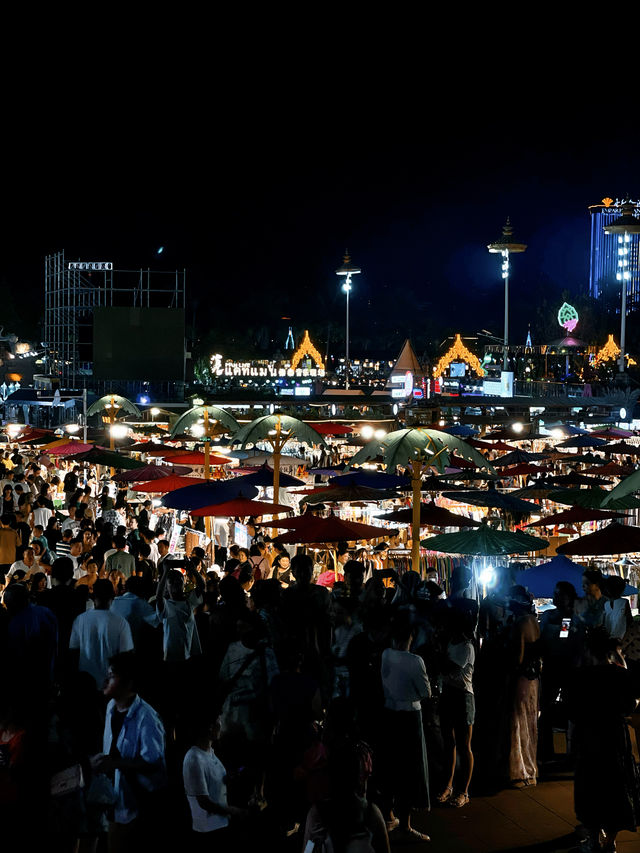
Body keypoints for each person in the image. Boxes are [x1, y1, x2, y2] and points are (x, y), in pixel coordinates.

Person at [567, 627, 640, 853]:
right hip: (614, 736)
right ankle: (610, 841)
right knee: (617, 786)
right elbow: (630, 703)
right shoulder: (620, 675)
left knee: (591, 786)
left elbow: (571, 710)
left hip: (589, 735)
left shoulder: (581, 676)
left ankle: (595, 838)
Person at [93, 651, 167, 852]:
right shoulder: (110, 708)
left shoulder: (147, 718)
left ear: (128, 682)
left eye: (113, 676)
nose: (106, 680)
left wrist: (114, 764)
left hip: (139, 806)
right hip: (116, 801)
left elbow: (153, 762)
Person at [380, 612, 430, 842]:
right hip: (410, 716)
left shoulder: (386, 655)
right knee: (410, 770)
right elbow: (425, 692)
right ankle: (406, 825)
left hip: (390, 714)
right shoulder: (414, 661)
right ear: (411, 636)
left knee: (391, 766)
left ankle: (390, 815)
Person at [183, 714, 247, 849]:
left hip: (221, 826)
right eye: (219, 721)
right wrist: (235, 811)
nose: (221, 725)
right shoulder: (194, 758)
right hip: (208, 832)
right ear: (210, 727)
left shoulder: (210, 752)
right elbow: (204, 802)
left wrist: (228, 777)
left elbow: (213, 780)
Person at [437, 606, 475, 809]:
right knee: (449, 743)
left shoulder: (466, 647)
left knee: (463, 745)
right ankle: (448, 786)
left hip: (463, 697)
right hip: (449, 694)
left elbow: (448, 668)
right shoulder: (451, 642)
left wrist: (436, 653)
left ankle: (464, 791)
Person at [69, 579, 134, 690]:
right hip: (110, 683)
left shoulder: (81, 619)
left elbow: (73, 651)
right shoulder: (120, 622)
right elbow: (126, 656)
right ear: (112, 597)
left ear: (93, 596)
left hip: (85, 683)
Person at [507, 585, 541, 789]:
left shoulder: (520, 623)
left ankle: (520, 772)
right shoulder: (534, 622)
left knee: (518, 722)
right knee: (530, 722)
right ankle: (531, 770)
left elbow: (518, 656)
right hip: (534, 678)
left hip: (522, 679)